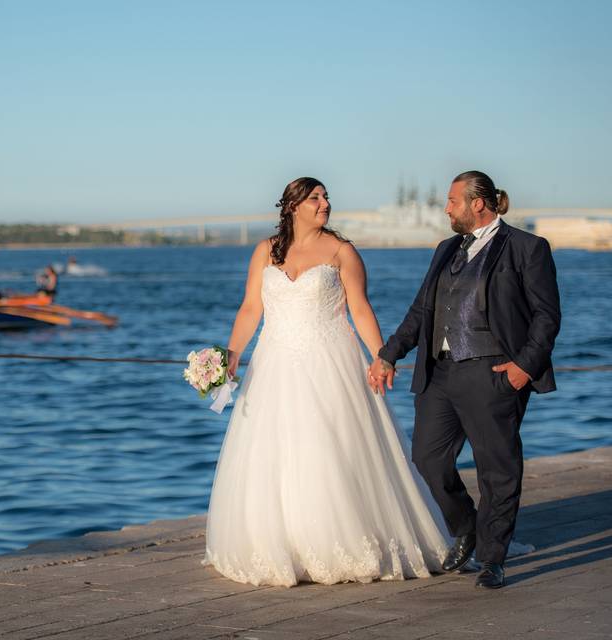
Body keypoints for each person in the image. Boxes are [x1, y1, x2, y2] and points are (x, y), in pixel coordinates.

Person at [202, 177, 449, 587]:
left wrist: (380, 356)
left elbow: (361, 309)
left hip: (330, 363)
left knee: (326, 447)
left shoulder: (341, 251)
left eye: (326, 197)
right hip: (274, 365)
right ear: (293, 206)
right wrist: (231, 355)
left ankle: (337, 541)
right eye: (315, 198)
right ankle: (284, 544)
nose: (325, 203)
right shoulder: (266, 250)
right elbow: (250, 308)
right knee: (276, 454)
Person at [368, 171, 561, 589]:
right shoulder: (445, 249)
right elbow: (422, 311)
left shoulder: (527, 248)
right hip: (439, 372)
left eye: (453, 200)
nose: (446, 208)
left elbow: (547, 317)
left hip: (493, 373)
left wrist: (522, 368)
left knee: (498, 468)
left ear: (478, 203)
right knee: (427, 459)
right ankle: (467, 526)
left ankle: (493, 558)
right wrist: (389, 354)